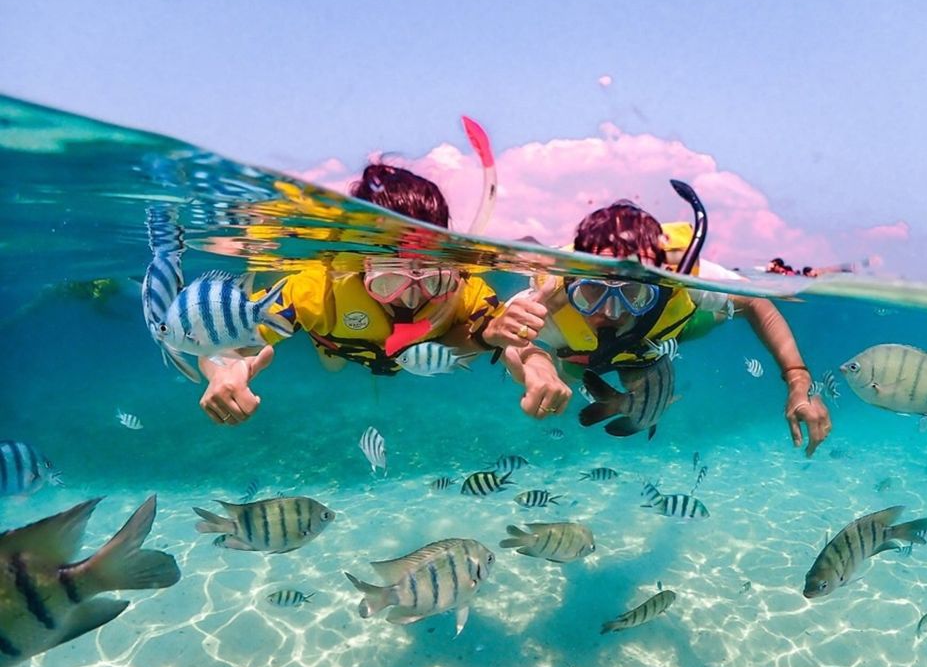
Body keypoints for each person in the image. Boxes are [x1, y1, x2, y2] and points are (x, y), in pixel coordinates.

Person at [496, 200, 832, 457]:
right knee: (565, 375)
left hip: (665, 333)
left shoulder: (684, 281)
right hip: (581, 353)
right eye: (593, 292)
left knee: (713, 317)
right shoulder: (548, 300)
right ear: (572, 284)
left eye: (633, 293)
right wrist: (537, 364)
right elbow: (512, 342)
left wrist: (798, 381)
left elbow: (757, 303)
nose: (612, 312)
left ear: (659, 285)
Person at [198, 164, 521, 426]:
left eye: (432, 281)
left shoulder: (465, 291)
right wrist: (223, 370)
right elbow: (218, 343)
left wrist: (527, 359)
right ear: (362, 269)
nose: (409, 299)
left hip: (416, 355)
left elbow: (512, 338)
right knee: (332, 365)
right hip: (336, 347)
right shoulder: (319, 291)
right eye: (389, 281)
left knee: (473, 341)